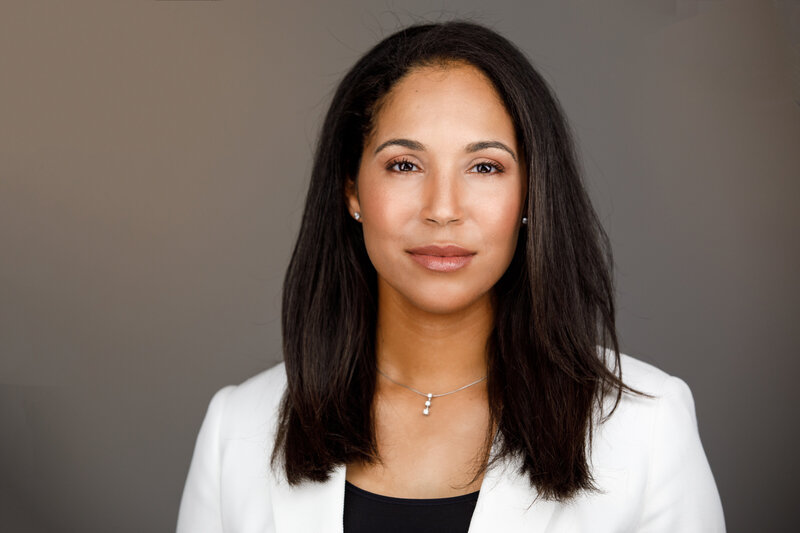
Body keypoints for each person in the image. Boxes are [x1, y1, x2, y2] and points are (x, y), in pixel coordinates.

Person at [176, 21, 725, 532]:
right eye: (404, 165)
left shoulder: (647, 425)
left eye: (485, 167)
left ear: (531, 192)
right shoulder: (238, 428)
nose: (443, 209)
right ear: (352, 190)